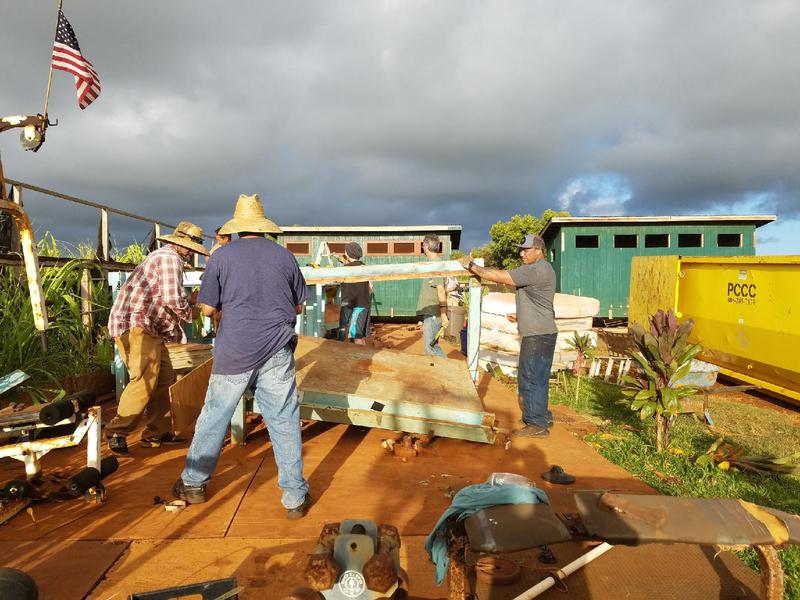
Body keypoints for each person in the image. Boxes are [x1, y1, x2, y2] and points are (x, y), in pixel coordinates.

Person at [173, 194, 311, 519]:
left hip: (234, 350)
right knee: (284, 420)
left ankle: (193, 484)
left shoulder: (221, 257)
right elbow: (298, 306)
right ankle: (294, 498)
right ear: (264, 227)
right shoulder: (285, 257)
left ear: (236, 228)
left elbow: (208, 309)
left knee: (214, 416)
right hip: (276, 348)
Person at [106, 221, 209, 455]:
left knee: (164, 379)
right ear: (180, 243)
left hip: (147, 328)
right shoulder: (170, 258)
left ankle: (157, 432)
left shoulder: (166, 257)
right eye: (190, 247)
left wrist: (189, 304)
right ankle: (117, 430)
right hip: (137, 325)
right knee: (145, 378)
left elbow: (164, 297)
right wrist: (193, 310)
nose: (190, 252)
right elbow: (172, 299)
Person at [459, 234, 557, 438]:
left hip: (536, 335)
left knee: (530, 377)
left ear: (539, 250)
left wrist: (472, 266)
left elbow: (499, 276)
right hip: (544, 330)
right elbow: (539, 301)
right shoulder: (545, 269)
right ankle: (542, 416)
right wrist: (521, 315)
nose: (522, 254)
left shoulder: (534, 270)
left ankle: (536, 423)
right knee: (539, 377)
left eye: (526, 250)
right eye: (521, 250)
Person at [416, 234, 449, 356]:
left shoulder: (436, 265)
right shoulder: (432, 264)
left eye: (423, 245)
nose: (423, 248)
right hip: (430, 313)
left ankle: (448, 367)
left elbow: (441, 290)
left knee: (430, 348)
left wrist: (443, 314)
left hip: (433, 313)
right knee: (431, 347)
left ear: (426, 246)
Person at [337, 242, 371, 345]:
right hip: (363, 305)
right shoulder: (364, 267)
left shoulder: (344, 269)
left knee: (355, 335)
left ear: (348, 253)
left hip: (352, 305)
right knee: (359, 335)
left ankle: (357, 355)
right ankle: (363, 354)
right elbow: (370, 287)